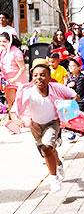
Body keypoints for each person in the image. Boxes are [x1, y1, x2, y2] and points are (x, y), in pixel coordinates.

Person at [12, 59, 76, 192]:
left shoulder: (56, 88)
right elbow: (14, 110)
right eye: (35, 75)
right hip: (35, 126)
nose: (38, 78)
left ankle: (53, 179)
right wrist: (16, 119)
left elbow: (74, 95)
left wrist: (69, 106)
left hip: (52, 123)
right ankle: (58, 164)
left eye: (42, 75)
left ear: (49, 77)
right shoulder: (27, 91)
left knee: (46, 148)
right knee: (48, 151)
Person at [0, 32, 27, 118]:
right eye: (0, 41)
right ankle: (12, 120)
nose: (2, 44)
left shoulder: (16, 52)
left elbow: (22, 68)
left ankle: (17, 120)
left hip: (17, 81)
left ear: (10, 41)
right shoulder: (2, 52)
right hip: (7, 80)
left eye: (4, 41)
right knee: (10, 102)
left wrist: (14, 79)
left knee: (17, 102)